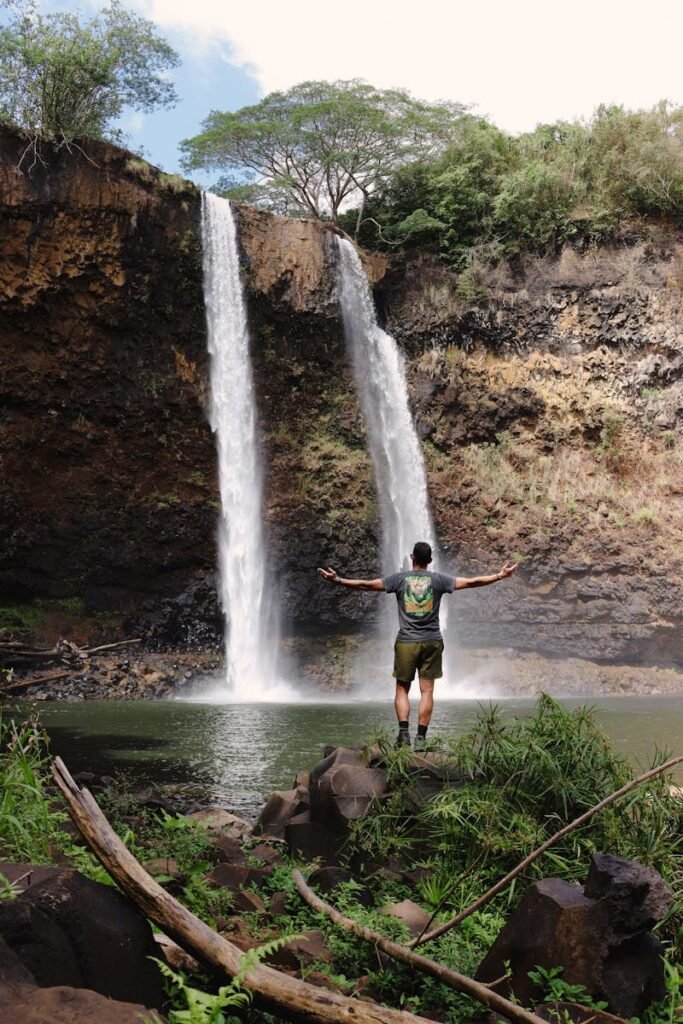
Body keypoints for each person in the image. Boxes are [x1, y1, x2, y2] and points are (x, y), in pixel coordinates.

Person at [317, 542, 517, 749]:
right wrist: (499, 576)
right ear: (430, 560)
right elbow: (472, 582)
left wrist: (338, 580)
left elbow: (365, 585)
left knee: (402, 689)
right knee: (427, 691)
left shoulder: (399, 579)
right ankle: (421, 739)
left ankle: (404, 734)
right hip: (432, 641)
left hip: (406, 642)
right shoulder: (439, 580)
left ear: (412, 557)